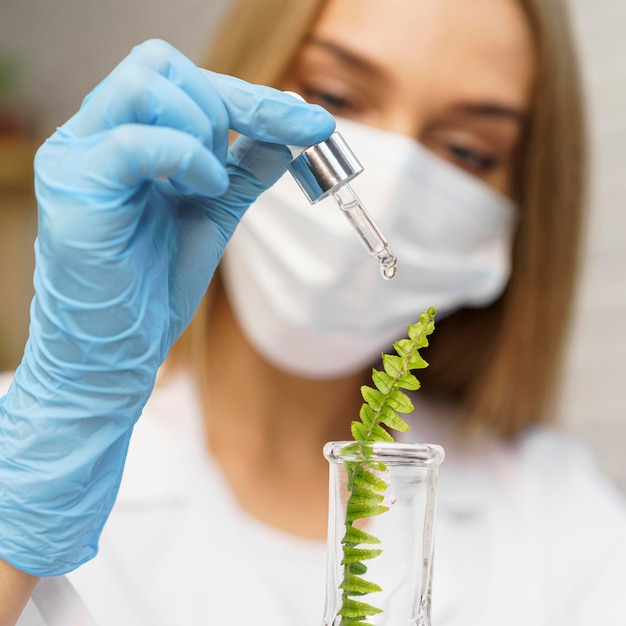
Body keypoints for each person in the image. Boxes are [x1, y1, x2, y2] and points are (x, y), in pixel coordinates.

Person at [1, 0, 626, 624]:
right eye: (336, 95)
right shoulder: (35, 449)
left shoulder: (560, 519)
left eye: (467, 151)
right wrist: (38, 478)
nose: (393, 182)